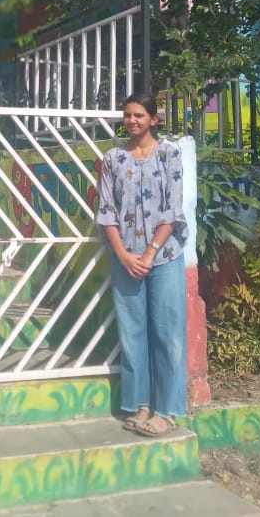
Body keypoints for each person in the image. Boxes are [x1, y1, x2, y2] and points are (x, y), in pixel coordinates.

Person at [95, 92, 189, 436]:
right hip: (125, 258)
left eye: (138, 115)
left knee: (167, 334)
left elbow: (173, 210)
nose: (131, 120)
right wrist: (123, 254)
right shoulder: (112, 158)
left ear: (153, 118)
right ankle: (141, 405)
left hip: (163, 256)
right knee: (133, 334)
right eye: (127, 115)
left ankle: (166, 410)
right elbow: (106, 211)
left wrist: (149, 253)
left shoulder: (169, 154)